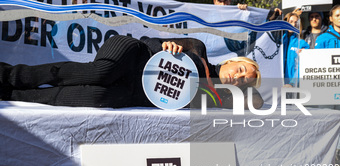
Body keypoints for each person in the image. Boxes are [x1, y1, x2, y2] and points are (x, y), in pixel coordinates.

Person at [0, 35, 263, 109]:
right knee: (100, 73)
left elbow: (256, 101)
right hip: (131, 55)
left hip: (133, 92)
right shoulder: (198, 48)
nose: (238, 77)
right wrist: (164, 46)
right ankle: (10, 76)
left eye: (243, 81)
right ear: (231, 61)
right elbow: (149, 40)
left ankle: (12, 94)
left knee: (99, 98)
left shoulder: (213, 97)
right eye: (240, 69)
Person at [283, 12, 309, 87]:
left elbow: (302, 66)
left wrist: (293, 83)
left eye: (296, 22)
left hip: (292, 85)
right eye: (290, 22)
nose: (293, 25)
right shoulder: (279, 41)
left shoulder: (302, 43)